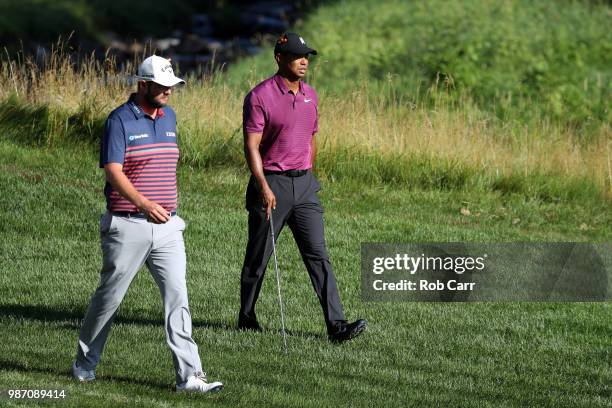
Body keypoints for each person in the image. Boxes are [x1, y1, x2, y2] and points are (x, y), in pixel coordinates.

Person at [71, 55, 223, 393]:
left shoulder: (169, 116)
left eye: (172, 86)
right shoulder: (119, 121)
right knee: (109, 298)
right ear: (143, 84)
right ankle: (85, 362)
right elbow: (113, 171)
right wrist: (144, 203)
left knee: (177, 298)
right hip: (127, 224)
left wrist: (162, 208)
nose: (169, 92)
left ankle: (190, 376)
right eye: (163, 86)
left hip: (168, 226)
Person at [239, 32, 367, 342]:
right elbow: (251, 146)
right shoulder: (260, 96)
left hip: (305, 186)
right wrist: (263, 186)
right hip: (271, 185)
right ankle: (246, 318)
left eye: (306, 55)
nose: (304, 60)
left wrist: (308, 171)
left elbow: (311, 138)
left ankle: (336, 326)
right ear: (279, 58)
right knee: (258, 258)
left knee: (318, 256)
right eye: (297, 55)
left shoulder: (311, 95)